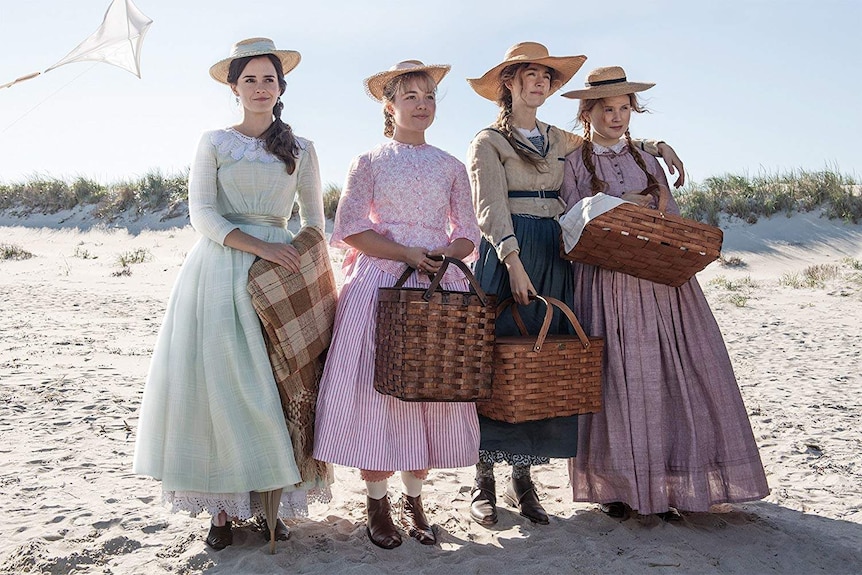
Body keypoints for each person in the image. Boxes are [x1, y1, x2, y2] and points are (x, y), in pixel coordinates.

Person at [465, 42, 685, 527]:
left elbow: (605, 140)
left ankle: (523, 480)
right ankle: (482, 480)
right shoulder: (487, 141)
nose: (540, 82)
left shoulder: (556, 137)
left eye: (546, 76)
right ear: (509, 83)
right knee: (500, 361)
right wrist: (512, 260)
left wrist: (656, 146)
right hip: (511, 250)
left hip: (556, 251)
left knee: (543, 361)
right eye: (529, 75)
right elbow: (489, 208)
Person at [133, 37, 330, 550]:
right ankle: (220, 511)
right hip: (219, 271)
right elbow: (202, 214)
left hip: (281, 271)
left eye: (269, 78)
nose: (260, 87)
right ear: (234, 87)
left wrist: (299, 261)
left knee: (276, 388)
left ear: (281, 86)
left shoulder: (302, 148)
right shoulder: (215, 142)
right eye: (250, 79)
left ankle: (270, 504)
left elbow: (314, 220)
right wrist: (256, 247)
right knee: (220, 389)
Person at [560, 65, 769, 519]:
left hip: (661, 282)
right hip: (606, 282)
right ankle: (618, 488)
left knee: (678, 373)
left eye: (624, 109)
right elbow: (570, 220)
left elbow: (670, 216)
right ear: (588, 112)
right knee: (619, 380)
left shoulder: (648, 160)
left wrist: (655, 215)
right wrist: (615, 208)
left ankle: (677, 482)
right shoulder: (575, 161)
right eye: (607, 109)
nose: (617, 117)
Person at [312, 60, 482, 550]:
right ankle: (377, 501)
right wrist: (407, 253)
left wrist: (442, 255)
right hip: (382, 282)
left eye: (428, 96)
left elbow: (467, 234)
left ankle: (414, 498)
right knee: (377, 396)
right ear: (390, 107)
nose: (422, 104)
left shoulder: (450, 165)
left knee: (427, 391)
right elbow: (350, 229)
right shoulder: (369, 161)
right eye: (410, 96)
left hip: (435, 285)